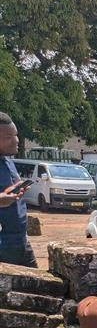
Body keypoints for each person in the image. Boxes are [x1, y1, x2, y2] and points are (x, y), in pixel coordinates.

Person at [0, 112, 36, 267]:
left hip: (21, 242)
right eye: (9, 137)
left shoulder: (7, 160)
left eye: (15, 135)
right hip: (3, 247)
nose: (16, 140)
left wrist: (16, 190)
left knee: (39, 281)